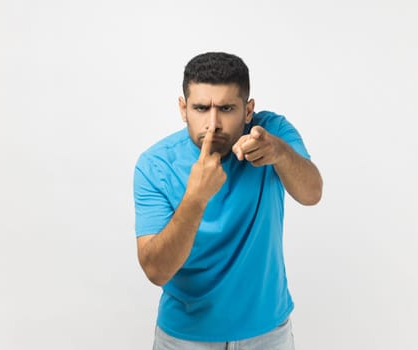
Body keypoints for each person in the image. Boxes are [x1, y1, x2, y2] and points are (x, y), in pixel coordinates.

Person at [134, 52, 323, 349]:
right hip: (185, 338)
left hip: (267, 333)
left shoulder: (271, 133)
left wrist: (279, 153)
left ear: (248, 111)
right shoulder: (155, 165)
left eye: (226, 108)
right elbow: (156, 270)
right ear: (183, 109)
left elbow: (312, 193)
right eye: (200, 108)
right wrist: (196, 197)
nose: (213, 123)